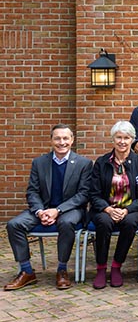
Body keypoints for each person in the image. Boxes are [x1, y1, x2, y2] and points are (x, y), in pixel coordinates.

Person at [4, 124, 92, 291]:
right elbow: (32, 191)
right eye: (57, 138)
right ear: (51, 141)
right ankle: (26, 271)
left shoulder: (84, 164)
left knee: (66, 223)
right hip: (42, 209)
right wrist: (40, 211)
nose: (61, 142)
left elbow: (83, 195)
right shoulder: (39, 163)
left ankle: (62, 270)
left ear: (72, 140)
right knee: (14, 224)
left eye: (65, 138)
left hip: (70, 210)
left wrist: (57, 210)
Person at [89, 121, 138, 289]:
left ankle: (117, 266)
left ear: (132, 140)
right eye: (119, 137)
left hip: (132, 209)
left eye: (126, 138)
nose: (122, 142)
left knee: (130, 222)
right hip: (105, 208)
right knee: (103, 222)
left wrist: (126, 210)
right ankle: (101, 268)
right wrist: (108, 209)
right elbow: (93, 194)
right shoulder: (101, 163)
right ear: (113, 139)